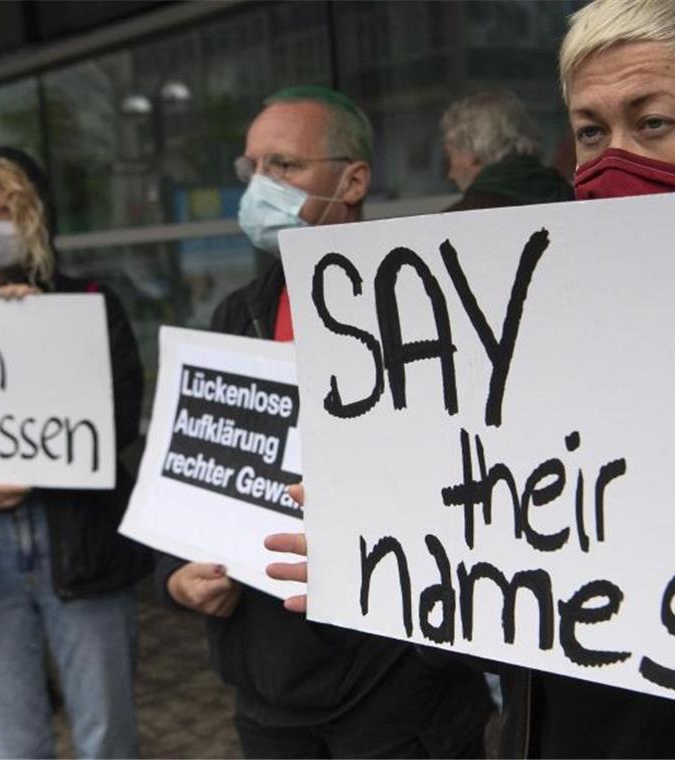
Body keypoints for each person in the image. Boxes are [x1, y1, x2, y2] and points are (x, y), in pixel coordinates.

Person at [266, 2, 675, 756]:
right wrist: (390, 566)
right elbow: (502, 620)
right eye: (589, 132)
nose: (613, 160)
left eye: (654, 124)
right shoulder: (521, 345)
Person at [156, 85, 493, 759]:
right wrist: (178, 572)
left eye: (284, 166)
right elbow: (196, 473)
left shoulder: (427, 303)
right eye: (252, 170)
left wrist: (424, 653)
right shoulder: (237, 314)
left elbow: (477, 480)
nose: (262, 186)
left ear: (353, 179)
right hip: (267, 686)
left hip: (397, 693)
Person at [0, 146, 152, 758]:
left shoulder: (91, 302)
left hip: (81, 541)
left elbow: (120, 417)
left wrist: (44, 335)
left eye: (8, 210)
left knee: (108, 737)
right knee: (17, 744)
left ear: (38, 216)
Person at [440, 89, 572, 211]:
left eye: (450, 157)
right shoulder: (573, 198)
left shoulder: (457, 222)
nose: (450, 174)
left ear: (473, 155)